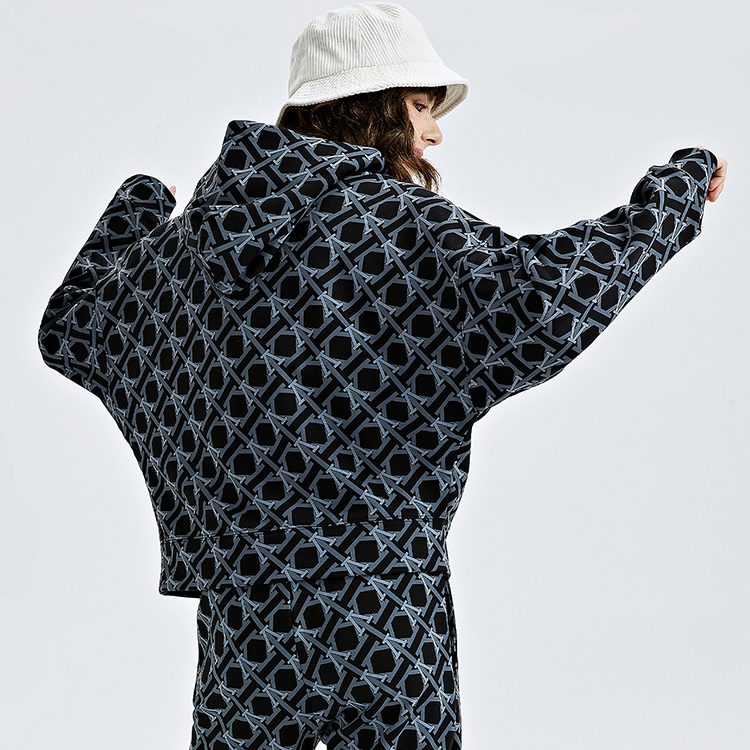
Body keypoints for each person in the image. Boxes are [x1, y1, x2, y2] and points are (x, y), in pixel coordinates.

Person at [38, 3, 726, 749]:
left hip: (247, 632)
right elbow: (544, 298)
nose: (434, 132)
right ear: (368, 107)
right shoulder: (396, 226)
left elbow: (72, 326)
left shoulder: (185, 257)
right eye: (422, 106)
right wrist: (673, 198)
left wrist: (138, 207)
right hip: (384, 610)